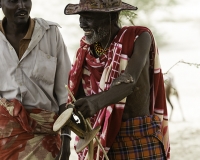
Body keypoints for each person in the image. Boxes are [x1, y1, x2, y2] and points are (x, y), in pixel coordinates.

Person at [64, 0, 170, 159]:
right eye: (81, 16)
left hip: (137, 137)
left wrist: (95, 102)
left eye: (89, 17)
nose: (82, 24)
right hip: (100, 142)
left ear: (112, 16)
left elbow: (129, 83)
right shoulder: (85, 53)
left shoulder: (138, 37)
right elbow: (79, 103)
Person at [0, 0, 71, 159]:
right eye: (13, 1)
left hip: (46, 139)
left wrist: (66, 139)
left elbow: (66, 94)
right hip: (6, 140)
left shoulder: (50, 33)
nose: (22, 5)